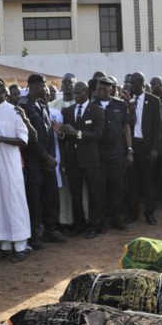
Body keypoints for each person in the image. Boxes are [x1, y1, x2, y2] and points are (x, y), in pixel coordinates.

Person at [0, 77, 31, 262]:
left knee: (14, 201)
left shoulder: (14, 110)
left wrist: (0, 139)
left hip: (10, 164)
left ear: (3, 91)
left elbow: (23, 140)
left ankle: (21, 245)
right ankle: (4, 245)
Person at [21, 74, 66, 247]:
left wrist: (51, 156)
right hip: (34, 161)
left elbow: (49, 134)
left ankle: (51, 230)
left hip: (47, 161)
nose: (46, 89)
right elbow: (31, 139)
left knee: (51, 196)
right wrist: (46, 156)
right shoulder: (23, 106)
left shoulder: (43, 105)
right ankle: (34, 235)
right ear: (34, 86)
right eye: (43, 85)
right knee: (34, 199)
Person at [61, 81, 106, 238]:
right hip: (73, 159)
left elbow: (98, 134)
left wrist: (77, 133)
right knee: (75, 194)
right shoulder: (68, 111)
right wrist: (60, 133)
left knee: (94, 193)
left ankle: (95, 225)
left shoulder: (97, 110)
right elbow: (66, 136)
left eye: (78, 93)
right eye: (74, 93)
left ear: (86, 93)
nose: (75, 95)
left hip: (90, 159)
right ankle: (79, 224)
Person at [94, 77, 132, 231]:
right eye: (99, 89)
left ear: (111, 89)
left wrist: (130, 150)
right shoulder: (92, 106)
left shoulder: (120, 105)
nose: (101, 92)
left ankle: (116, 219)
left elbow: (126, 128)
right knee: (100, 189)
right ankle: (102, 221)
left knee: (117, 187)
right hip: (99, 153)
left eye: (104, 89)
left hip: (117, 152)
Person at [125, 72, 161, 225]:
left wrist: (154, 148)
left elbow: (157, 126)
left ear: (141, 83)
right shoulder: (127, 100)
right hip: (131, 145)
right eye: (130, 83)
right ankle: (133, 212)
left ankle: (149, 212)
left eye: (133, 83)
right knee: (132, 181)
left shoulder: (153, 100)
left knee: (147, 180)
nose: (131, 86)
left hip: (146, 146)